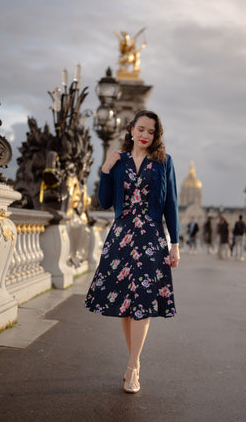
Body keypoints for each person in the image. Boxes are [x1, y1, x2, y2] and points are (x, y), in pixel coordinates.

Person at [84, 110, 180, 394]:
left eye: (151, 132)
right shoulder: (119, 162)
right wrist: (104, 169)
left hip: (151, 238)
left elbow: (171, 205)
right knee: (126, 305)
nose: (145, 135)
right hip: (122, 237)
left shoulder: (164, 162)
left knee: (143, 303)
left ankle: (132, 366)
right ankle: (134, 362)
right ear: (131, 129)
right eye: (141, 129)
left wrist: (175, 243)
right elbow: (103, 202)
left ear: (156, 135)